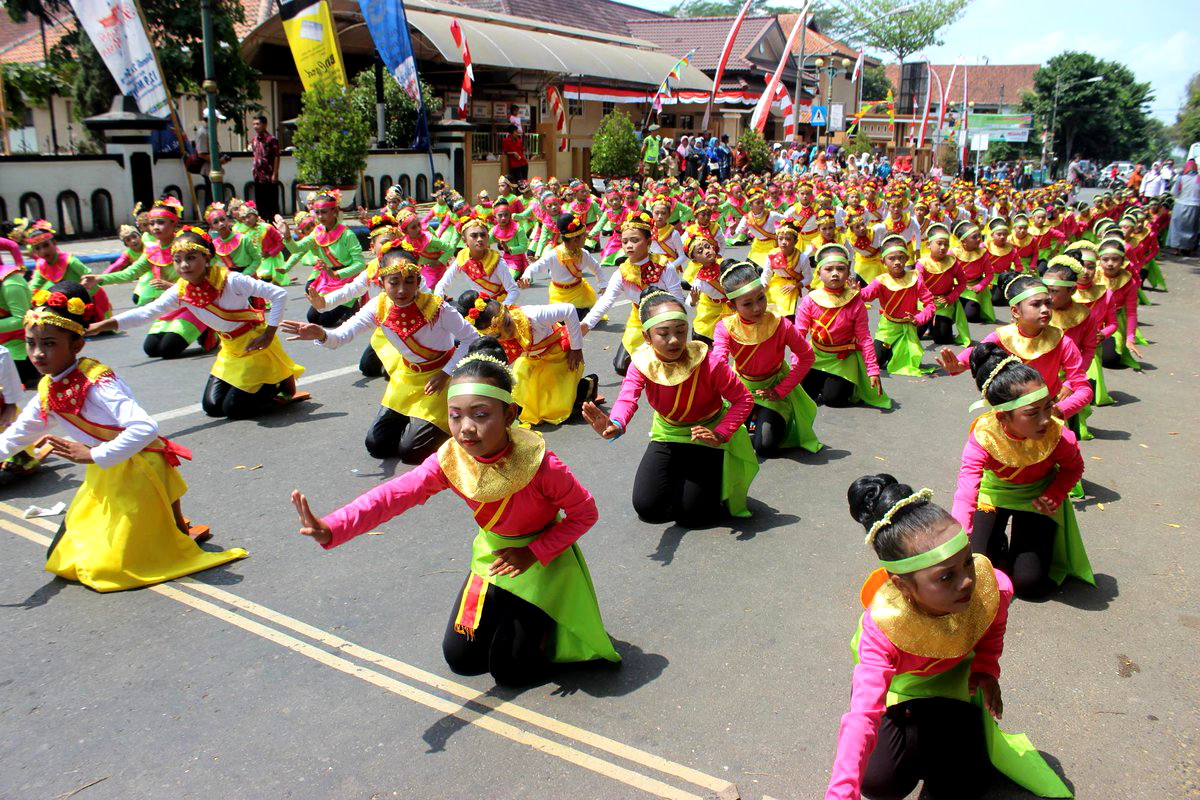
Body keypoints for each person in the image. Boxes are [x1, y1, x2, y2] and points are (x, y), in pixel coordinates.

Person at [293, 339, 620, 687]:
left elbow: (585, 513)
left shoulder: (543, 466)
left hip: (543, 562)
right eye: (455, 415)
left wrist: (534, 552)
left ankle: (546, 626)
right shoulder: (451, 459)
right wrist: (334, 527)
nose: (466, 427)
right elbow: (395, 494)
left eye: (481, 415)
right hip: (492, 557)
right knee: (462, 660)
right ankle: (512, 617)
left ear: (509, 415)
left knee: (511, 672)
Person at [827, 474, 1073, 799]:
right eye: (946, 576)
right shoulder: (883, 627)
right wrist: (841, 792)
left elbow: (992, 629)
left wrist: (986, 668)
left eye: (967, 562)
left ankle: (954, 742)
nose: (967, 581)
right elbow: (862, 714)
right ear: (903, 586)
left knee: (957, 783)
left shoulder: (991, 588)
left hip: (955, 686)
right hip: (901, 692)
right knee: (878, 781)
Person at [0, 282, 247, 591]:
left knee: (108, 569)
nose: (37, 353)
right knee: (63, 560)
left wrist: (92, 454)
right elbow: (18, 434)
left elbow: (145, 429)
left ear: (76, 345)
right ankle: (162, 527)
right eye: (31, 342)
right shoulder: (48, 387)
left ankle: (167, 530)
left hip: (139, 469)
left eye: (49, 343)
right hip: (104, 475)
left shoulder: (98, 382)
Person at [284, 244, 477, 462]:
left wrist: (446, 373)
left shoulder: (437, 308)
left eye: (409, 281)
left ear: (418, 281)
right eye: (394, 282)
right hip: (407, 377)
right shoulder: (378, 306)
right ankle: (417, 421)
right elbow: (340, 337)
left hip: (439, 379)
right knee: (377, 445)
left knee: (411, 452)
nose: (402, 290)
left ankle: (448, 424)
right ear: (382, 282)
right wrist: (321, 334)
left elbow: (472, 338)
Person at [581, 289, 758, 526]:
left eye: (681, 331)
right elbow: (627, 397)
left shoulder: (708, 361)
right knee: (648, 509)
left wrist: (720, 433)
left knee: (692, 516)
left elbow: (743, 399)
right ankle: (687, 478)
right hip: (669, 432)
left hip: (707, 434)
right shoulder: (642, 363)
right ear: (646, 336)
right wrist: (615, 423)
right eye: (663, 334)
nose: (674, 340)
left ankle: (710, 479)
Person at [89, 228, 306, 419]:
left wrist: (268, 334)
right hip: (229, 350)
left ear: (207, 257)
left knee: (234, 410)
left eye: (191, 257)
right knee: (213, 408)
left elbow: (278, 294)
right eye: (178, 259)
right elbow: (147, 312)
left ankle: (276, 381)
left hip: (254, 347)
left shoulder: (232, 280)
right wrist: (103, 325)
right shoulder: (181, 289)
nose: (184, 265)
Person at [951, 344, 1092, 597]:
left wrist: (1054, 494)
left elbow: (1074, 468)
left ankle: (1015, 549)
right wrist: (959, 538)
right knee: (978, 570)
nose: (1045, 419)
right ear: (1003, 417)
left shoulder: (1059, 436)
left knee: (1029, 585)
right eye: (1032, 413)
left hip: (1035, 497)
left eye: (1048, 406)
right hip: (993, 494)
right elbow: (967, 489)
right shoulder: (984, 436)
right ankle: (998, 544)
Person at [712, 261, 820, 456]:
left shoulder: (781, 324)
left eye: (760, 298)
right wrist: (726, 386)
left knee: (764, 446)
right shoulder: (724, 328)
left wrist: (781, 390)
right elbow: (719, 360)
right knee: (727, 439)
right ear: (731, 305)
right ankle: (754, 415)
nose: (757, 308)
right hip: (741, 390)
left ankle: (769, 415)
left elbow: (806, 357)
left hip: (773, 388)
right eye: (747, 304)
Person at [795, 243, 890, 410]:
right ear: (818, 273)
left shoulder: (855, 300)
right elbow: (799, 335)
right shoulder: (810, 300)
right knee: (804, 395)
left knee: (833, 400)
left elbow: (865, 338)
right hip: (816, 356)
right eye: (828, 269)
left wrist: (873, 371)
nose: (834, 274)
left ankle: (849, 384)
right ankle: (826, 380)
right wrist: (797, 365)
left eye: (840, 269)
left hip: (843, 359)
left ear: (848, 272)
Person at [860, 235, 937, 377]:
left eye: (901, 258)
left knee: (911, 361)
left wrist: (918, 319)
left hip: (909, 325)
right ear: (883, 261)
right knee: (877, 361)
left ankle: (897, 350)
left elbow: (930, 304)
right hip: (888, 327)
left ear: (907, 259)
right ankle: (892, 350)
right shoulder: (881, 281)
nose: (897, 262)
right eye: (892, 259)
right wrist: (855, 290)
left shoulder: (915, 278)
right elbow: (866, 295)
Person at [250, 115, 281, 223]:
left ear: (264, 125)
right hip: (258, 176)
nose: (255, 127)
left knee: (272, 204)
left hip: (269, 176)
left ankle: (274, 226)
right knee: (261, 204)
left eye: (257, 124)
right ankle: (262, 225)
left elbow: (277, 156)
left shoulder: (271, 140)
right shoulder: (254, 140)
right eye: (254, 124)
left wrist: (275, 173)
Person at [1167, 159, 1199, 254]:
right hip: (1195, 206)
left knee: (1177, 227)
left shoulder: (1180, 178)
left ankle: (1176, 249)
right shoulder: (1199, 178)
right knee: (1192, 228)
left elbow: (1174, 193)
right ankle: (1187, 248)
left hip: (1180, 205)